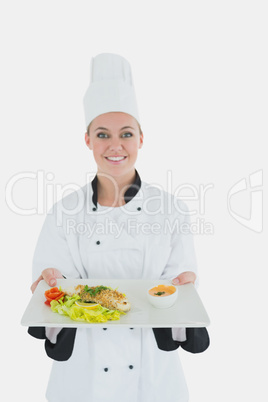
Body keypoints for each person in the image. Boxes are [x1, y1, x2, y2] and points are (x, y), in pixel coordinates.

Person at [29, 53, 209, 402]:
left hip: (154, 377)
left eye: (126, 133)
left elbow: (179, 291)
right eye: (102, 134)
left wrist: (185, 292)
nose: (115, 145)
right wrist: (47, 290)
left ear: (141, 138)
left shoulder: (171, 210)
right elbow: (50, 300)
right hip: (82, 377)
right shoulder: (63, 212)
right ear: (87, 140)